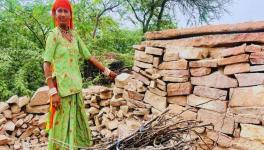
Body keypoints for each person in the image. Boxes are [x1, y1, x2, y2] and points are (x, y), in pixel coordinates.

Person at [42, 0, 117, 149]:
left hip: (75, 86)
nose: (63, 14)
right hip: (61, 89)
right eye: (60, 11)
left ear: (70, 15)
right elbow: (47, 63)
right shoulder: (53, 35)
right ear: (55, 14)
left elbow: (89, 56)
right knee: (60, 123)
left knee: (75, 121)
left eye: (66, 11)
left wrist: (107, 71)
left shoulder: (74, 35)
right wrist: (52, 91)